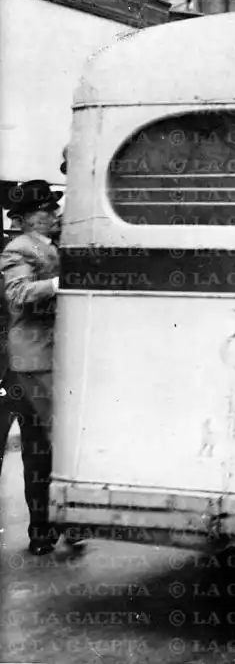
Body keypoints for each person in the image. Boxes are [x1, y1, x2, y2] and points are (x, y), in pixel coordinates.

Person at [1, 180, 83, 555]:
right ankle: (59, 525)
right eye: (43, 210)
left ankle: (46, 531)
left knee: (41, 448)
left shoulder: (49, 244)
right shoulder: (19, 248)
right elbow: (17, 294)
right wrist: (58, 282)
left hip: (44, 358)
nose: (52, 214)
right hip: (34, 360)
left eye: (53, 208)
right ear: (21, 219)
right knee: (54, 443)